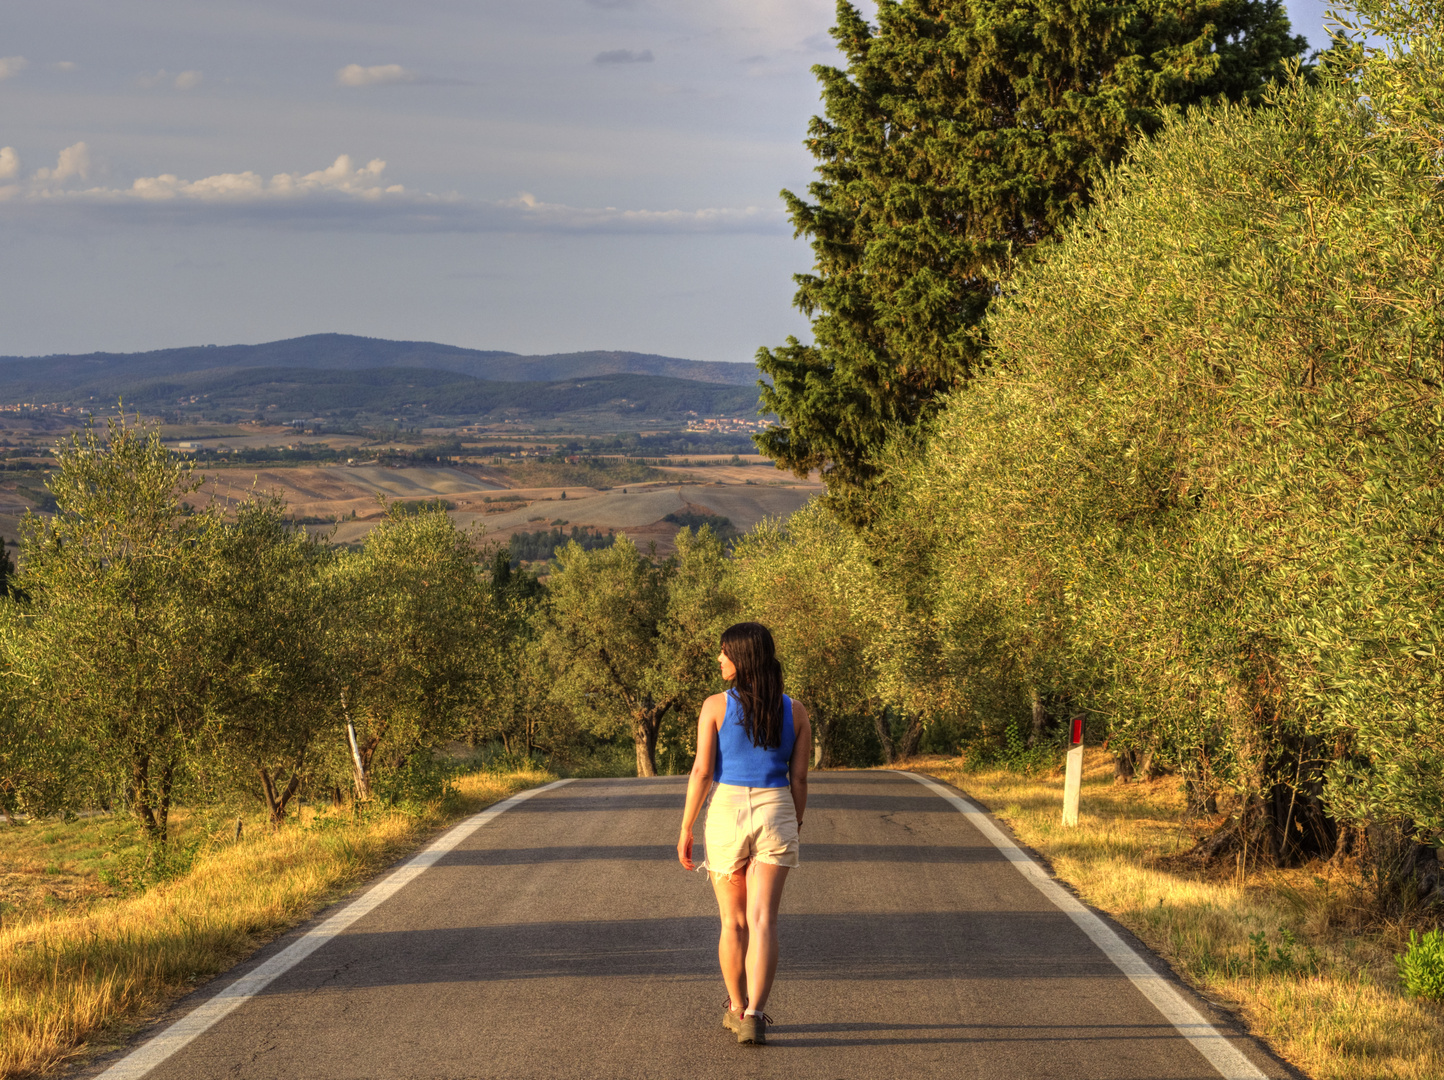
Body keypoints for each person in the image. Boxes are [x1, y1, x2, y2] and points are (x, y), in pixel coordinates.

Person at [677, 621, 811, 1046]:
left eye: (724, 652)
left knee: (733, 921)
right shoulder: (795, 711)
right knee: (763, 920)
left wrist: (685, 828)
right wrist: (796, 820)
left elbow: (701, 771)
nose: (719, 659)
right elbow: (800, 780)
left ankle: (736, 1007)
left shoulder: (715, 706)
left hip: (728, 810)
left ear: (742, 658)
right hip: (776, 808)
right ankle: (755, 1013)